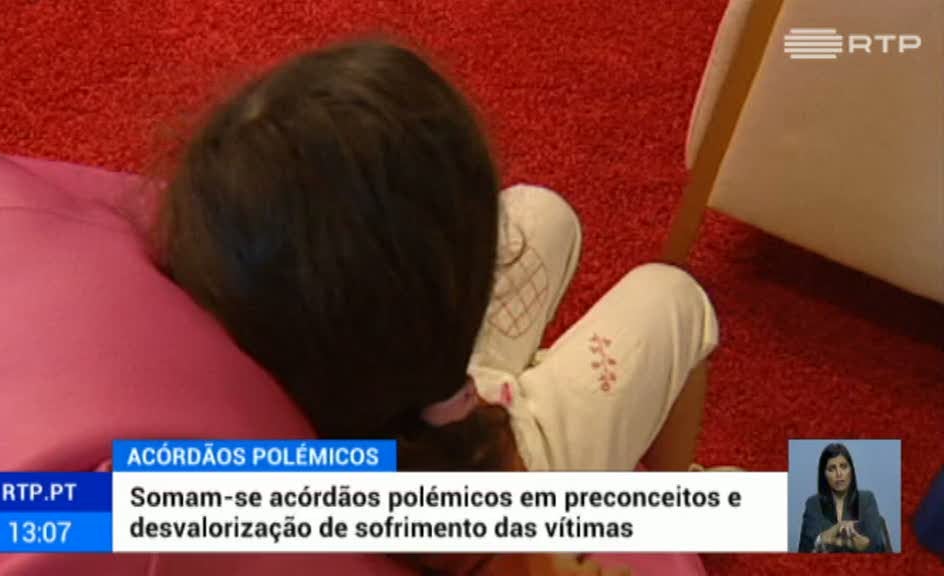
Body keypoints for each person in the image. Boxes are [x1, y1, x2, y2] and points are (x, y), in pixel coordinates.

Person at [154, 37, 722, 574]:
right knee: (673, 296)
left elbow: (97, 509)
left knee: (542, 214)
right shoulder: (484, 537)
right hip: (501, 471)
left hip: (402, 417)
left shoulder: (244, 348)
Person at [797, 443, 888, 553]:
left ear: (851, 470)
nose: (839, 474)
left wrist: (861, 545)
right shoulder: (813, 504)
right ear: (824, 474)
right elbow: (805, 549)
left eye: (843, 466)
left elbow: (877, 545)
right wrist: (825, 537)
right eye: (831, 469)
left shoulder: (866, 500)